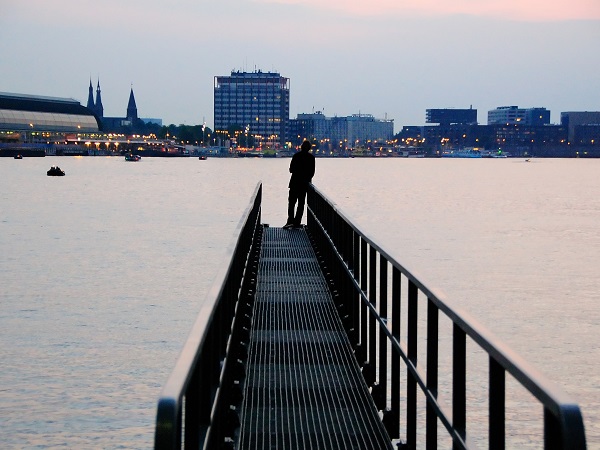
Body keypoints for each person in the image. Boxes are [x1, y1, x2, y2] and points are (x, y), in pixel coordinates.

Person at [284, 140, 315, 229]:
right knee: (301, 204)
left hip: (294, 183)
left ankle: (290, 220)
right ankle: (297, 222)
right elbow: (312, 172)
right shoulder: (311, 158)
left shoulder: (296, 156)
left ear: (301, 147)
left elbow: (291, 170)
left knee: (291, 203)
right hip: (304, 184)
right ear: (309, 148)